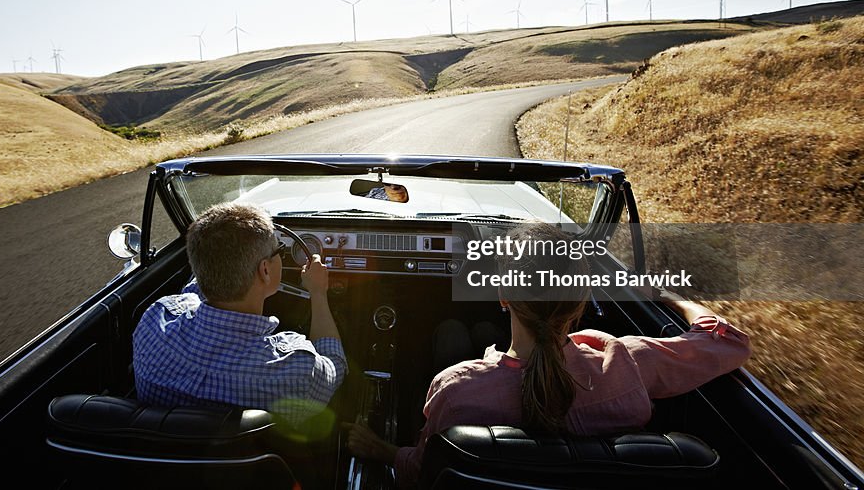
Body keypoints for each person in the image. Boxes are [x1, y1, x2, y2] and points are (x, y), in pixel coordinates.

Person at [346, 222, 751, 488]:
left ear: (503, 297)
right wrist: (672, 299)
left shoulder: (455, 389)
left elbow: (422, 470)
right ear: (579, 304)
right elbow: (730, 343)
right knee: (475, 333)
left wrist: (380, 449)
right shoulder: (627, 362)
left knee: (452, 332)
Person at [132, 202, 347, 424]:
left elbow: (196, 291)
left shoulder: (154, 321)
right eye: (279, 251)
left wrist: (213, 258)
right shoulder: (297, 370)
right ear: (265, 270)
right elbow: (335, 366)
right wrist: (319, 293)